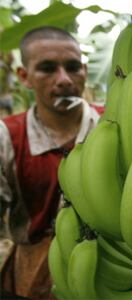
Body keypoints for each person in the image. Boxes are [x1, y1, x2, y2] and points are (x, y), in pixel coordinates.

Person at [0, 26, 103, 299]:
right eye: (47, 69)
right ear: (25, 76)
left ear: (84, 70)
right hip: (32, 275)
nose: (64, 80)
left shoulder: (113, 126)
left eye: (72, 67)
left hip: (109, 270)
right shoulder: (7, 137)